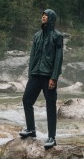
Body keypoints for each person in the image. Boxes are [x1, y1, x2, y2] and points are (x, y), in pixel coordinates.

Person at [19, 9, 64, 149]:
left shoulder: (57, 36)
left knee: (50, 105)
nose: (43, 16)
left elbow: (58, 58)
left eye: (46, 15)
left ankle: (52, 137)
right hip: (35, 75)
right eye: (42, 15)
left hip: (48, 76)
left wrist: (54, 77)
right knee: (26, 100)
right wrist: (30, 72)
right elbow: (32, 55)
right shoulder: (37, 36)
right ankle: (31, 130)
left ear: (51, 18)